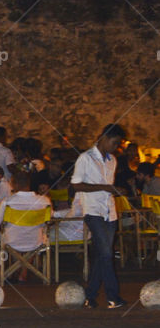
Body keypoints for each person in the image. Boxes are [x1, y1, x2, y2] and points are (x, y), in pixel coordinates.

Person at [72, 123, 127, 309]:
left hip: (109, 211)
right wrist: (105, 188)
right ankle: (113, 296)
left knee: (102, 255)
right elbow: (76, 185)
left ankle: (90, 296)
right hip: (93, 210)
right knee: (106, 254)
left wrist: (113, 190)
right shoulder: (85, 158)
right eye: (114, 142)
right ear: (103, 138)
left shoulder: (112, 160)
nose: (116, 147)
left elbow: (107, 186)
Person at [0, 165, 51, 282]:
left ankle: (10, 272)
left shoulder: (8, 202)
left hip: (11, 241)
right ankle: (23, 270)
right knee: (35, 238)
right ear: (29, 184)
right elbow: (49, 220)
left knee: (6, 236)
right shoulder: (45, 201)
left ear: (13, 184)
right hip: (36, 241)